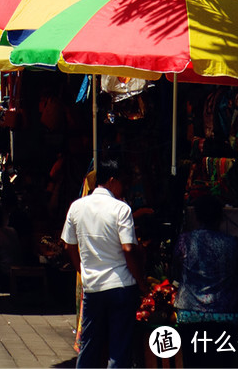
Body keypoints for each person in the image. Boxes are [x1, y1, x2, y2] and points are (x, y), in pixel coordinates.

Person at [62, 157, 145, 369]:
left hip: (92, 287)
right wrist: (141, 283)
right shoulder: (121, 209)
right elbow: (128, 248)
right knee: (119, 348)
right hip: (120, 286)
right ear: (111, 180)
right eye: (122, 182)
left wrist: (81, 269)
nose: (123, 188)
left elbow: (68, 245)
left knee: (89, 345)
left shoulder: (76, 207)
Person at [174, 195, 238, 368]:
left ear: (196, 217)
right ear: (220, 217)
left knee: (194, 363)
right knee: (224, 363)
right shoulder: (232, 243)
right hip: (225, 317)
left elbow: (174, 273)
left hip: (190, 315)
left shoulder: (184, 241)